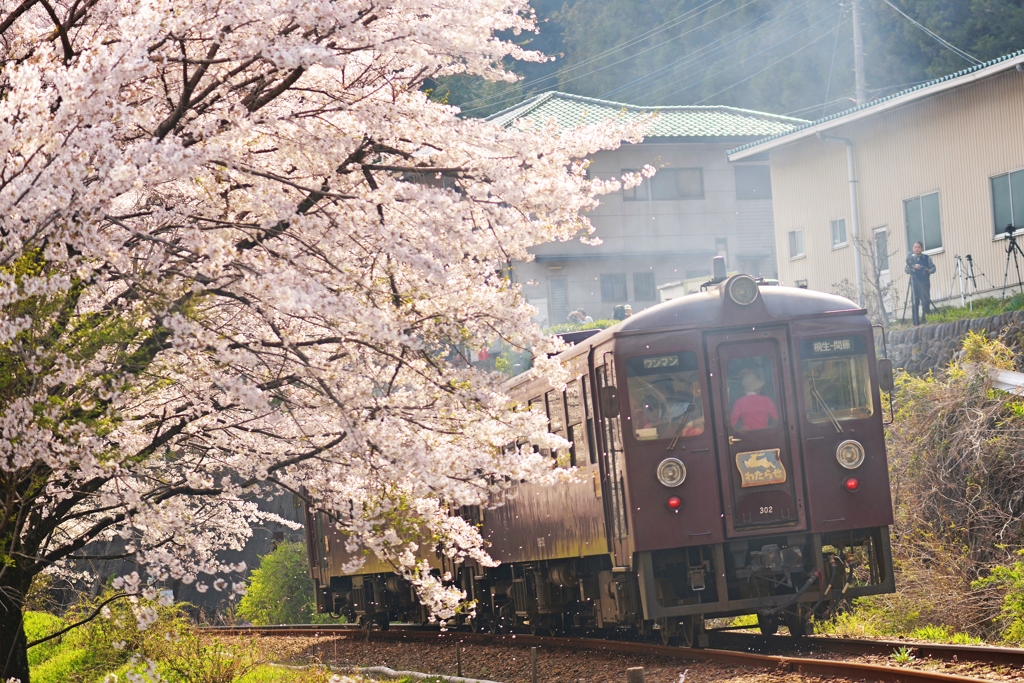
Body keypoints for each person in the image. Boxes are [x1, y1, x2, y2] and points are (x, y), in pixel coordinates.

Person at [905, 241, 935, 326]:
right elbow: (906, 270)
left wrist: (926, 270)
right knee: (915, 302)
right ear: (913, 249)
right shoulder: (911, 259)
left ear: (921, 248)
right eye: (915, 247)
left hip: (924, 282)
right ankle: (915, 322)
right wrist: (912, 268)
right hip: (914, 282)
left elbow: (933, 268)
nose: (916, 249)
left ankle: (926, 320)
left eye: (918, 247)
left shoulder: (926, 258)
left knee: (925, 301)